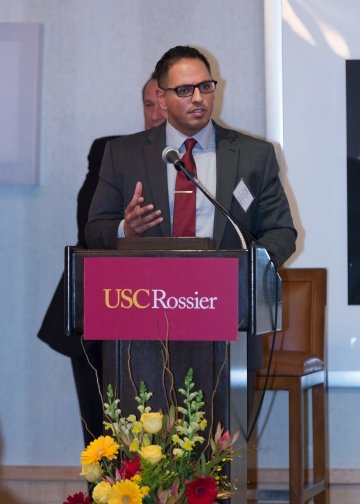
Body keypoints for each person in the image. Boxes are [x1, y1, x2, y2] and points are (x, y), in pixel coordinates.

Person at [85, 45, 297, 422]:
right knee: (147, 444)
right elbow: (95, 230)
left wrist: (245, 271)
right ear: (162, 98)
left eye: (205, 86)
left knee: (220, 442)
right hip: (144, 319)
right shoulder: (123, 154)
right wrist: (125, 229)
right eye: (184, 90)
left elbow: (281, 231)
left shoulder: (253, 155)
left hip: (225, 318)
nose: (198, 97)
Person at [37, 75, 166, 448]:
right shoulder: (111, 152)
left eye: (163, 102)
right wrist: (126, 228)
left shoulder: (204, 163)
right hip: (102, 312)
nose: (156, 114)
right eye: (148, 104)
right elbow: (89, 229)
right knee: (105, 437)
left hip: (175, 312)